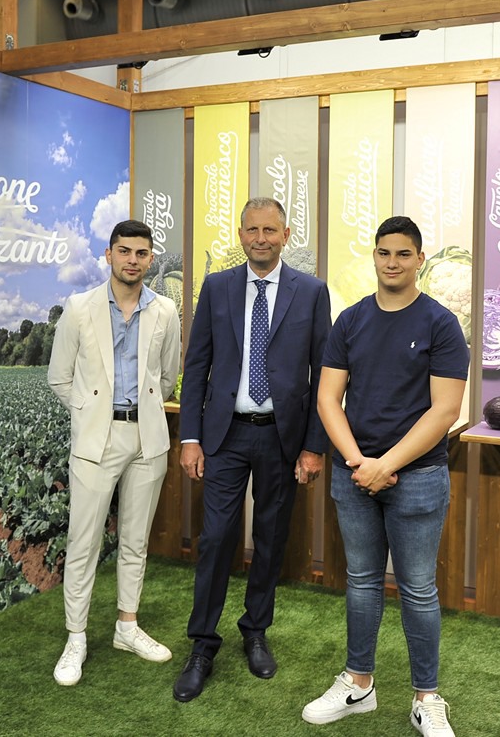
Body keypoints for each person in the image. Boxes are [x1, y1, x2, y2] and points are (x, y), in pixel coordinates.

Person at [303, 216, 469, 737]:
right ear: (374, 256)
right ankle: (359, 683)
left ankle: (426, 698)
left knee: (417, 589)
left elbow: (445, 411)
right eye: (383, 253)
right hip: (354, 475)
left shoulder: (441, 324)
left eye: (402, 254)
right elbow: (327, 398)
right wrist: (358, 461)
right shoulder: (350, 321)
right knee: (360, 582)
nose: (391, 262)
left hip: (417, 478)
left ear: (420, 259)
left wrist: (386, 465)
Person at [173, 197, 330, 703]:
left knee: (270, 538)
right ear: (240, 235)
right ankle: (202, 644)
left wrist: (313, 447)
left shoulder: (312, 292)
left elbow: (324, 377)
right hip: (225, 436)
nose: (260, 238)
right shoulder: (217, 287)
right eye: (252, 230)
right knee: (217, 538)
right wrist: (191, 437)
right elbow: (197, 365)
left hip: (283, 438)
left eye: (270, 230)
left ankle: (256, 630)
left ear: (286, 236)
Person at [47, 219, 181, 686]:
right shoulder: (79, 308)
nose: (132, 260)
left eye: (141, 253)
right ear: (108, 255)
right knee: (83, 542)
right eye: (124, 251)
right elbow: (59, 377)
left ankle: (127, 626)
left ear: (150, 259)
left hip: (147, 440)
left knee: (135, 541)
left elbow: (167, 377)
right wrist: (92, 413)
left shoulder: (165, 311)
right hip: (96, 440)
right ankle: (76, 637)